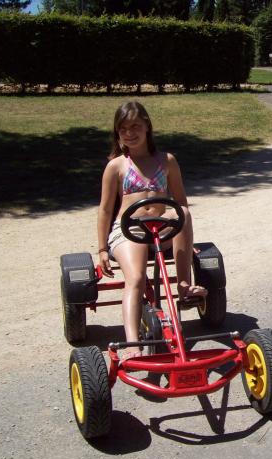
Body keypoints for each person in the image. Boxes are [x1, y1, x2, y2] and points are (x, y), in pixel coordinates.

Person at [96, 101, 207, 361]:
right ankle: (133, 343)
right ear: (117, 133)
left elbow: (180, 202)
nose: (129, 133)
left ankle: (183, 286)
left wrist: (184, 236)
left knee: (183, 213)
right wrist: (101, 249)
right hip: (129, 231)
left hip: (162, 228)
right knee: (135, 279)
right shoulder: (116, 166)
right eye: (123, 129)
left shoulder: (167, 161)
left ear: (147, 126)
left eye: (135, 126)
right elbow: (105, 210)